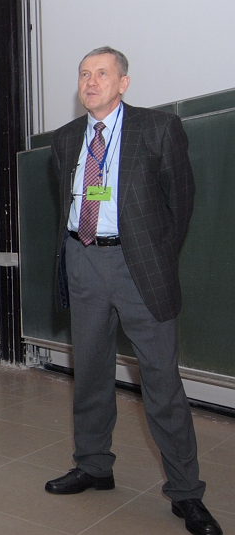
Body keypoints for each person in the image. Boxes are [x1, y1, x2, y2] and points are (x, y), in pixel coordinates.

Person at [47, 47, 222, 535]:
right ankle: (94, 465)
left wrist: (150, 255)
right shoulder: (64, 141)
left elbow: (179, 203)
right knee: (92, 374)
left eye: (102, 73)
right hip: (82, 260)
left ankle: (186, 494)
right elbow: (70, 199)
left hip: (138, 266)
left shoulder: (158, 129)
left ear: (123, 83)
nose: (91, 81)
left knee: (162, 385)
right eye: (84, 74)